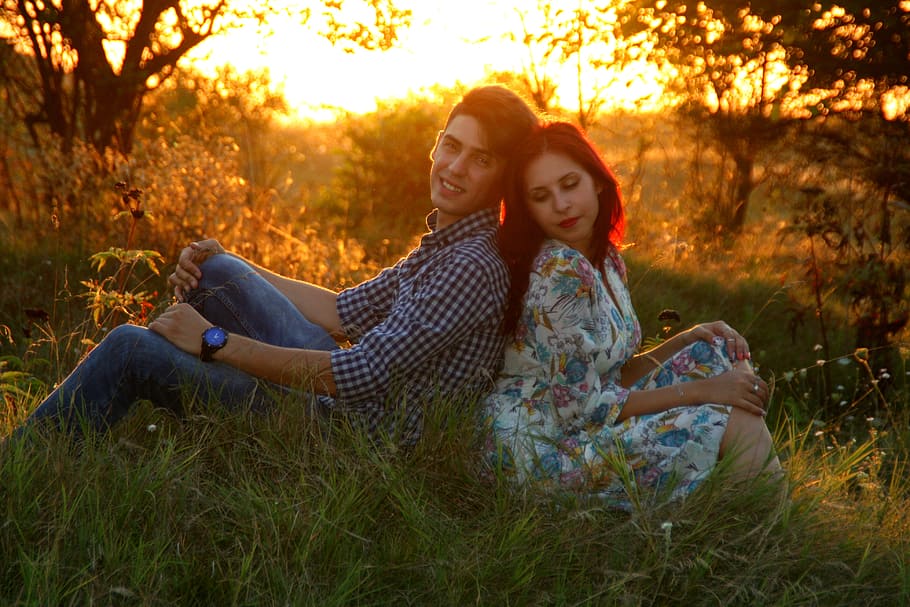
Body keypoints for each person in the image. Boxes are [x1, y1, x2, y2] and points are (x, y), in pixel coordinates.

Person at [17, 85, 539, 446]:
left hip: (346, 435)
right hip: (351, 404)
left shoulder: (472, 264)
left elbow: (353, 374)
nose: (454, 167)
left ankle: (22, 464)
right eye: (451, 146)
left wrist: (213, 343)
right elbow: (340, 311)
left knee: (130, 348)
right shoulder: (449, 243)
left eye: (482, 159)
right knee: (217, 274)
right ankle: (182, 355)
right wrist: (229, 258)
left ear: (502, 179)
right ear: (436, 145)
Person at [484, 122, 781, 509]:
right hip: (539, 449)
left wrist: (687, 338)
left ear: (598, 182)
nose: (561, 204)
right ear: (529, 210)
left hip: (576, 421)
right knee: (730, 417)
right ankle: (762, 531)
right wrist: (706, 392)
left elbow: (611, 374)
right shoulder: (561, 272)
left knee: (715, 349)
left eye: (570, 184)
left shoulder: (604, 259)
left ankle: (740, 507)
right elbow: (584, 408)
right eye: (542, 196)